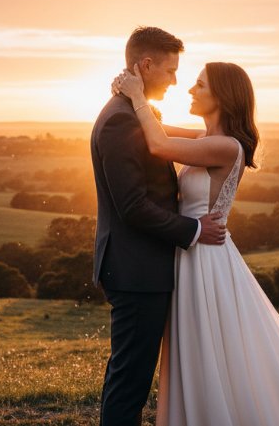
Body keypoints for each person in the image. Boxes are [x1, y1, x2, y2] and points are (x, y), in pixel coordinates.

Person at [115, 61, 279, 426]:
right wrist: (129, 97)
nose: (189, 90)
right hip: (192, 253)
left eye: (199, 85)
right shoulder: (205, 141)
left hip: (206, 260)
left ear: (222, 97)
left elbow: (158, 144)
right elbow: (152, 128)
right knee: (199, 350)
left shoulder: (227, 147)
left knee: (209, 349)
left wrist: (136, 95)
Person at [91, 26, 228, 426]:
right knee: (130, 380)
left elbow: (183, 139)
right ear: (146, 65)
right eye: (170, 71)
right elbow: (132, 207)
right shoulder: (121, 121)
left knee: (128, 374)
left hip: (142, 268)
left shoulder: (135, 113)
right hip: (136, 271)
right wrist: (195, 230)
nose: (175, 80)